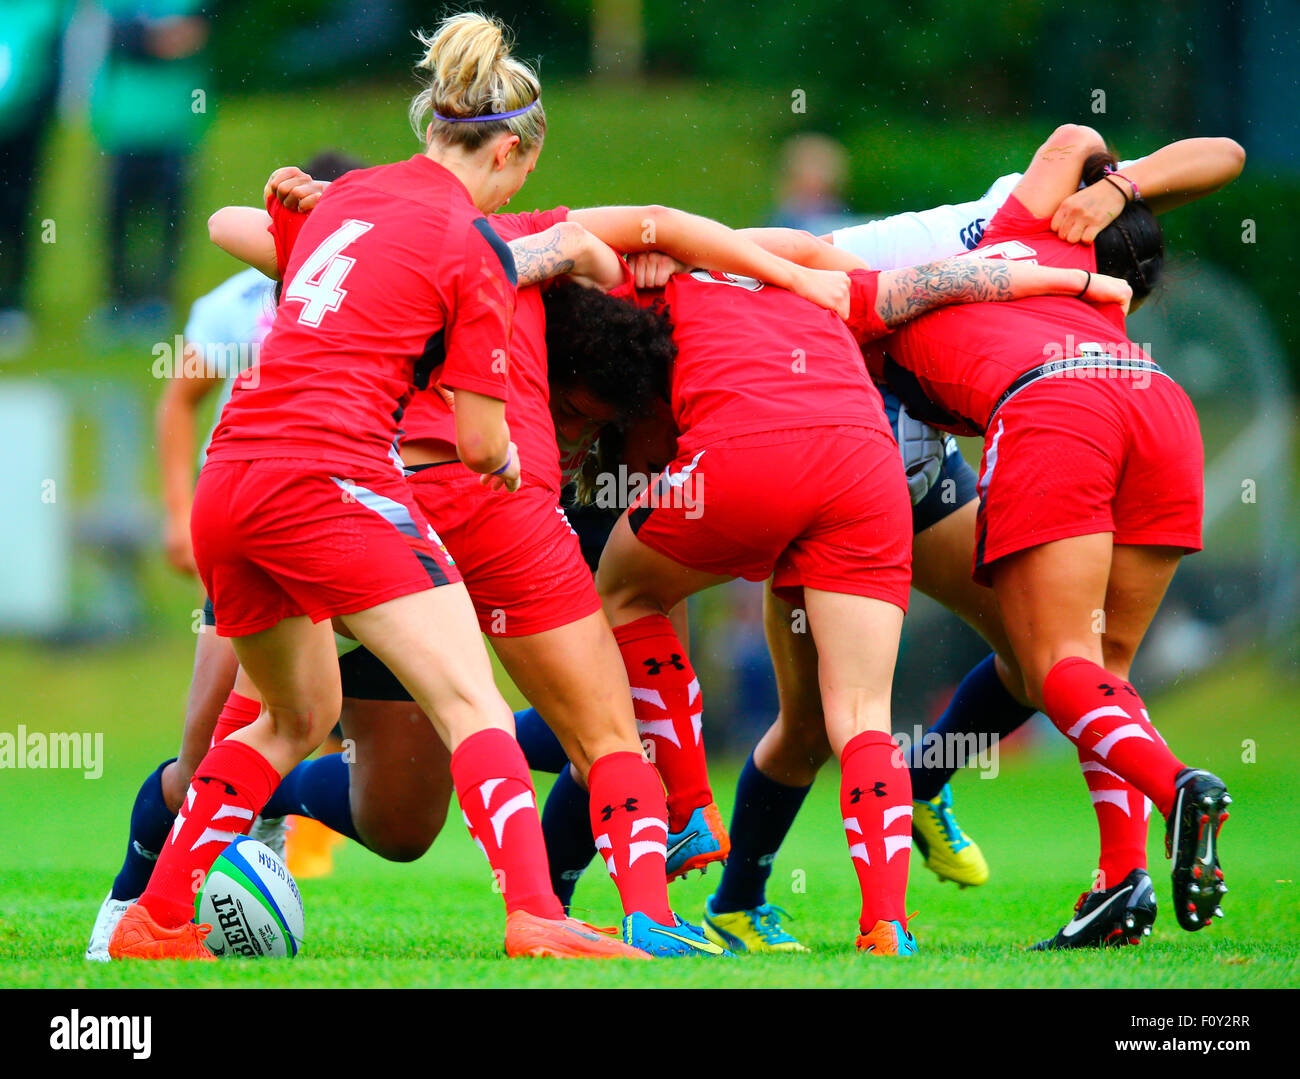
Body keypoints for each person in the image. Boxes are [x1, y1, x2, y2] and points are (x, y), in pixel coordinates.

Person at [106, 11, 647, 962]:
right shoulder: (471, 245)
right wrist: (515, 463)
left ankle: (157, 918)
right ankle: (534, 914)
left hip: (230, 475)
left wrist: (285, 203)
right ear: (514, 154)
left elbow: (290, 259)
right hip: (327, 479)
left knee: (293, 717)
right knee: (472, 702)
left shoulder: (352, 196)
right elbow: (482, 444)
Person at [544, 243, 1129, 955]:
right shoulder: (822, 284)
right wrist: (1089, 281)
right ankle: (886, 922)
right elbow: (964, 278)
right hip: (867, 469)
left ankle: (690, 808)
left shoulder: (647, 296)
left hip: (746, 454)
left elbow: (573, 253)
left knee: (627, 592)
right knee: (861, 716)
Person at [852, 124, 1231, 948]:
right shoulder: (1039, 245)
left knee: (1054, 663)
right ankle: (1118, 886)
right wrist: (1117, 189)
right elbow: (1088, 139)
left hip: (1057, 407)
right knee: (1105, 674)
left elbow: (1073, 137)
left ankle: (1179, 789)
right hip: (1157, 401)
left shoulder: (864, 296)